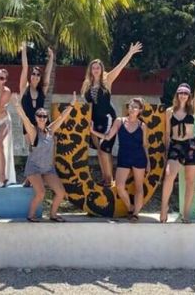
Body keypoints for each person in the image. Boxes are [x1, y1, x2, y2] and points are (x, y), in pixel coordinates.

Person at [81, 42, 143, 186]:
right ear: (90, 70)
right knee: (100, 151)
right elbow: (86, 103)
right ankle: (106, 178)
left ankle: (109, 180)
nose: (96, 70)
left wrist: (130, 52)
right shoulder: (86, 84)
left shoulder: (107, 80)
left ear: (101, 69)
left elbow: (120, 66)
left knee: (104, 149)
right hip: (94, 121)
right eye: (93, 68)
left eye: (98, 67)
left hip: (107, 119)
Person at [12, 92, 75, 222]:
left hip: (47, 169)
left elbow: (62, 117)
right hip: (34, 168)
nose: (42, 118)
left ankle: (53, 214)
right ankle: (31, 215)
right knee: (41, 193)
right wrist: (17, 105)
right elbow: (24, 119)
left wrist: (72, 105)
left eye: (44, 116)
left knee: (61, 193)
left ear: (47, 118)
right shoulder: (33, 131)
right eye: (39, 116)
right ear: (36, 118)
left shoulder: (50, 130)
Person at [160, 60, 195, 224]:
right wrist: (166, 151)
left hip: (191, 146)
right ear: (177, 95)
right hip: (176, 145)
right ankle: (164, 208)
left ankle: (186, 212)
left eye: (186, 93)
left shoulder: (192, 109)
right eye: (181, 93)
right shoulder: (169, 111)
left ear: (189, 95)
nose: (183, 95)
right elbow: (166, 133)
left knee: (190, 181)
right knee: (169, 175)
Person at [92, 97, 150, 221]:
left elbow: (145, 145)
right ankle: (130, 207)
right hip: (124, 157)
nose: (132, 109)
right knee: (119, 186)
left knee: (139, 187)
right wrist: (93, 131)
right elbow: (107, 137)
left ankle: (135, 214)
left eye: (135, 107)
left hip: (139, 157)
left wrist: (148, 162)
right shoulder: (119, 121)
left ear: (140, 110)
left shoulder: (143, 126)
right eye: (130, 106)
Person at [19, 43, 54, 145]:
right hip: (28, 124)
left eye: (38, 75)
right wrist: (24, 50)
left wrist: (51, 57)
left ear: (40, 77)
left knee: (44, 149)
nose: (35, 76)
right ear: (30, 76)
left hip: (42, 122)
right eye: (33, 74)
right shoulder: (24, 89)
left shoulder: (42, 91)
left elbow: (47, 73)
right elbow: (25, 67)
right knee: (33, 150)